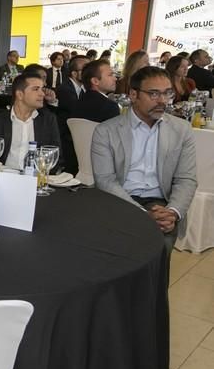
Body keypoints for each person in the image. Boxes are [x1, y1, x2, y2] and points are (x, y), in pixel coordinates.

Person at [91, 66, 197, 255]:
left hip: (161, 202)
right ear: (133, 95)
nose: (162, 101)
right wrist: (142, 214)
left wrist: (172, 212)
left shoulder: (181, 130)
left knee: (159, 245)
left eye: (167, 93)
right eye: (154, 94)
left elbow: (186, 179)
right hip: (119, 199)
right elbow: (105, 180)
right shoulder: (107, 131)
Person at [0, 72, 62, 171]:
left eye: (42, 89)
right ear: (20, 94)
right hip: (4, 178)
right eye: (36, 89)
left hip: (35, 179)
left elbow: (56, 156)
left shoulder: (48, 120)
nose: (42, 94)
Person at [55, 55, 90, 175]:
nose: (89, 73)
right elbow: (78, 110)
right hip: (67, 139)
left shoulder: (85, 89)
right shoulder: (65, 89)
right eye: (85, 70)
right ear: (74, 74)